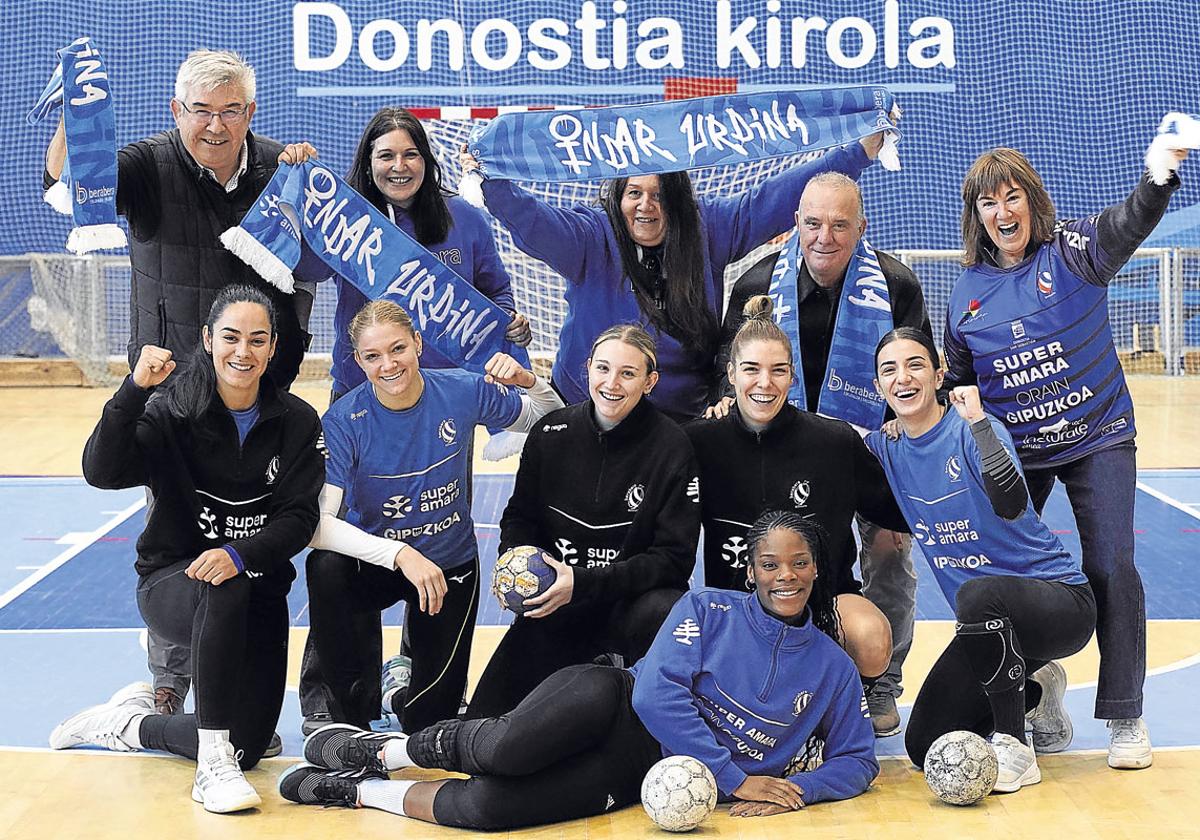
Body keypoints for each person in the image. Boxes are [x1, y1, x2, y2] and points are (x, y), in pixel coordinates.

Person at [277, 511, 878, 829]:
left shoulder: (832, 668)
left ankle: (359, 791)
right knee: (507, 749)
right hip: (613, 703)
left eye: (799, 564)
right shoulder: (707, 608)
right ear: (751, 571)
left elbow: (858, 761)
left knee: (491, 812)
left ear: (817, 569)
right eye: (770, 564)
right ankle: (383, 751)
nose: (786, 577)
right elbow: (656, 699)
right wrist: (734, 777)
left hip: (638, 770)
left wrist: (800, 788)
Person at [44, 48, 319, 721]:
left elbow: (319, 260)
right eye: (201, 111)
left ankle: (243, 682)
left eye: (230, 111)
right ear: (178, 112)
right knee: (176, 538)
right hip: (170, 399)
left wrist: (312, 185)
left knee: (253, 533)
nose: (216, 125)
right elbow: (67, 183)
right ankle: (170, 683)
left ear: (250, 113)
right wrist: (75, 118)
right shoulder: (145, 165)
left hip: (257, 401)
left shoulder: (284, 168)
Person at [943, 144, 1189, 769]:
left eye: (1012, 196)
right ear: (977, 215)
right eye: (988, 201)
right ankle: (1041, 690)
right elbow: (960, 379)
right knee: (1011, 579)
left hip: (1098, 437)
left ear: (1031, 200)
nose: (1002, 210)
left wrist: (1159, 174)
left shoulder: (1074, 252)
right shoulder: (966, 292)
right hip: (1019, 454)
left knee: (1111, 567)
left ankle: (1125, 714)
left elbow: (1131, 220)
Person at [299, 106, 533, 733]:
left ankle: (416, 669)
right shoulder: (349, 220)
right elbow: (302, 265)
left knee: (431, 519)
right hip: (363, 404)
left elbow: (498, 295)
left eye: (409, 154)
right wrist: (301, 188)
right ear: (367, 166)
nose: (398, 167)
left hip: (439, 399)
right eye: (385, 156)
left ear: (426, 161)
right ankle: (334, 697)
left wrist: (510, 339)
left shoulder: (465, 221)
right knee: (344, 539)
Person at [49, 284, 324, 813]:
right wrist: (132, 390)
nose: (242, 352)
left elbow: (299, 518)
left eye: (257, 339)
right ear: (207, 339)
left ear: (272, 348)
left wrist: (241, 554)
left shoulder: (295, 421)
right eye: (230, 337)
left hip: (257, 594)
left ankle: (131, 724)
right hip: (173, 583)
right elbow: (101, 471)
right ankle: (210, 765)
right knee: (222, 583)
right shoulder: (174, 409)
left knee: (252, 746)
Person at [460, 134, 890, 421]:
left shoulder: (708, 229)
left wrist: (859, 152)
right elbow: (534, 221)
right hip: (586, 412)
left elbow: (776, 198)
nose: (647, 205)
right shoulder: (590, 237)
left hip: (680, 424)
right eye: (635, 193)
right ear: (618, 196)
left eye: (660, 194)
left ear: (679, 199)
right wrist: (491, 181)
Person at [717, 172, 932, 735]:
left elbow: (916, 372)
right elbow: (731, 371)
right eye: (813, 223)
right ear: (796, 224)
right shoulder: (758, 284)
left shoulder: (896, 285)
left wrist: (900, 456)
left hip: (873, 446)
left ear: (861, 228)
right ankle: (755, 671)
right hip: (787, 448)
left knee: (888, 545)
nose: (825, 237)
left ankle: (881, 679)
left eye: (840, 225)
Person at [304, 300, 563, 734]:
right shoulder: (344, 419)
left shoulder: (461, 390)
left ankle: (402, 690)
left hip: (449, 568)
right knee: (326, 567)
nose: (388, 365)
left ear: (418, 344)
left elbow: (551, 420)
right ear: (358, 361)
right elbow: (317, 527)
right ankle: (353, 711)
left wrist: (529, 381)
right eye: (373, 356)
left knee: (428, 724)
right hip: (379, 565)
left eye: (397, 349)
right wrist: (400, 554)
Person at [867, 328, 1096, 791]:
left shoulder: (972, 429)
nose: (903, 377)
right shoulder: (887, 447)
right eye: (889, 369)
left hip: (1060, 604)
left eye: (915, 364)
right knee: (925, 743)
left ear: (938, 373)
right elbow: (824, 440)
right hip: (989, 624)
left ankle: (1015, 746)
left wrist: (978, 423)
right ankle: (1034, 692)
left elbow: (1012, 504)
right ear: (878, 386)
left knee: (977, 594)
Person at [460, 324, 700, 719]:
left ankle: (637, 689)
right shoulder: (552, 433)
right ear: (587, 368)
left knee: (667, 608)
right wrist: (517, 562)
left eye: (628, 373)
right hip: (560, 603)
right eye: (603, 369)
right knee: (485, 723)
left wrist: (585, 582)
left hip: (630, 607)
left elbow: (673, 560)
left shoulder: (672, 448)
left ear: (650, 381)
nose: (612, 383)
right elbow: (520, 517)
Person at [687, 296, 906, 690]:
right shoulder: (698, 442)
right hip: (737, 607)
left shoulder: (834, 441)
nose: (764, 383)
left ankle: (852, 695)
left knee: (871, 639)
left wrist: (922, 435)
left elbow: (904, 509)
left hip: (822, 601)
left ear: (792, 377)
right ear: (732, 374)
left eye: (778, 371)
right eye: (751, 370)